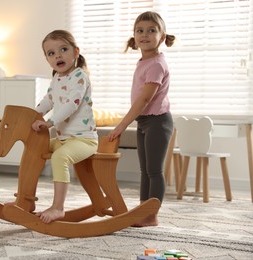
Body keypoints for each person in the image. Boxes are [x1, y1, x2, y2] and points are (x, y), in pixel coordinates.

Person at [107, 11, 175, 227]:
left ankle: (152, 215)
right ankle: (143, 210)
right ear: (134, 36)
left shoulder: (156, 64)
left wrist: (122, 124)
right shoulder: (144, 62)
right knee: (145, 170)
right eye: (140, 30)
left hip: (158, 121)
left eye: (151, 30)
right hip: (145, 121)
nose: (144, 34)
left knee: (154, 171)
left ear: (162, 37)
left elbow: (145, 99)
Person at [32, 30, 98, 224]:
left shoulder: (79, 76)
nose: (58, 55)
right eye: (51, 53)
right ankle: (26, 198)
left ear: (75, 52)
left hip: (84, 139)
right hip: (63, 139)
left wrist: (49, 122)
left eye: (63, 49)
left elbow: (72, 103)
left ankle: (58, 207)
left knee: (60, 157)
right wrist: (33, 115)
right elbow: (48, 100)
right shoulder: (56, 79)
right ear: (47, 59)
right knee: (34, 148)